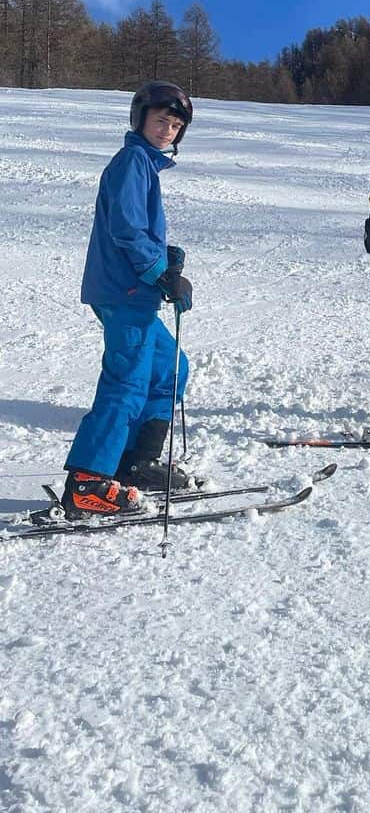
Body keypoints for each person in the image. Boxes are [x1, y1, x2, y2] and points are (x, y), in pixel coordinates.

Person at [60, 82, 196, 520]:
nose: (167, 130)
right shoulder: (133, 161)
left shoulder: (144, 167)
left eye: (175, 126)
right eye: (161, 120)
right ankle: (87, 481)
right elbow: (126, 230)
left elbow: (140, 233)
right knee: (127, 381)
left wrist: (169, 266)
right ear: (140, 119)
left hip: (136, 291)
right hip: (123, 291)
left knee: (171, 367)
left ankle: (139, 462)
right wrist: (160, 274)